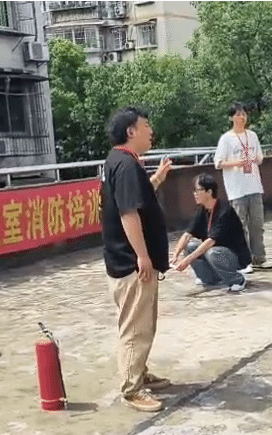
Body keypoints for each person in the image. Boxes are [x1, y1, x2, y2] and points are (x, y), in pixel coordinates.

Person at [100, 106, 173, 413]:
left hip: (126, 259)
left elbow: (134, 200)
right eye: (146, 125)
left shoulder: (119, 161)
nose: (150, 130)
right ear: (131, 131)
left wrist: (155, 179)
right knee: (135, 329)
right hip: (131, 263)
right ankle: (131, 389)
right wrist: (142, 255)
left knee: (143, 324)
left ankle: (139, 371)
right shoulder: (126, 165)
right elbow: (128, 213)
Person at [212, 102, 272, 272]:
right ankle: (243, 261)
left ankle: (259, 258)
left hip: (254, 185)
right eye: (238, 114)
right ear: (231, 118)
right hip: (237, 189)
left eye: (244, 114)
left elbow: (260, 157)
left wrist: (254, 159)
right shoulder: (226, 139)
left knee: (257, 225)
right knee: (240, 226)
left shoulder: (252, 136)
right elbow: (218, 163)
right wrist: (237, 162)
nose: (241, 117)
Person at [170, 174, 251, 293]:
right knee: (190, 246)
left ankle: (237, 280)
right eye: (194, 190)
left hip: (233, 256)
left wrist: (187, 260)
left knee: (212, 252)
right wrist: (175, 255)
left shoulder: (224, 211)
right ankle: (211, 279)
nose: (195, 194)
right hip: (216, 254)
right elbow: (188, 234)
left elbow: (211, 241)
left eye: (198, 190)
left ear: (209, 191)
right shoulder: (202, 209)